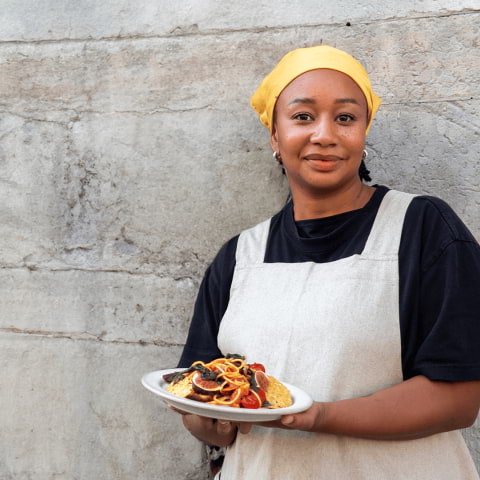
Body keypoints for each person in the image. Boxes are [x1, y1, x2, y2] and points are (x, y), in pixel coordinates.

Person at [174, 45, 480, 479]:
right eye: (302, 117)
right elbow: (200, 404)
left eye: (345, 118)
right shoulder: (239, 257)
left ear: (364, 132)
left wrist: (318, 416)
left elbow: (459, 398)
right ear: (274, 136)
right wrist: (211, 420)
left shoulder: (422, 229)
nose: (325, 134)